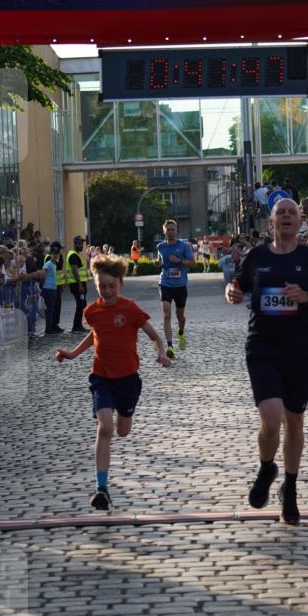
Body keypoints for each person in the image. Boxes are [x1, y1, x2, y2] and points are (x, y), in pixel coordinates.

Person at [225, 197, 308, 526]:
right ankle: (266, 467)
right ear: (272, 222)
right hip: (261, 346)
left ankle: (288, 489)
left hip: (298, 350)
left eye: (292, 213)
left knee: (294, 423)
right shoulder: (257, 256)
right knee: (272, 419)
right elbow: (237, 286)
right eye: (281, 213)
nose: (287, 217)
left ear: (300, 220)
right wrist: (232, 293)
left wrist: (307, 298)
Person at [55, 255, 171, 511]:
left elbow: (153, 335)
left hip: (128, 379)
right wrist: (73, 354)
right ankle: (102, 489)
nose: (106, 291)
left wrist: (161, 353)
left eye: (111, 286)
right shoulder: (92, 311)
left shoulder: (130, 309)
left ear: (120, 283)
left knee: (122, 431)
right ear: (95, 284)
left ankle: (125, 416)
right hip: (101, 377)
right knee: (105, 428)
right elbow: (95, 334)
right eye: (101, 286)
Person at [156, 218, 195, 359]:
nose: (171, 231)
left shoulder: (184, 246)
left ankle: (181, 332)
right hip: (165, 283)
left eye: (173, 229)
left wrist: (180, 261)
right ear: (164, 231)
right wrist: (157, 263)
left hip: (180, 285)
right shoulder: (160, 247)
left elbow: (193, 264)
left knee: (180, 316)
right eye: (168, 229)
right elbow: (160, 261)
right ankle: (170, 346)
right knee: (166, 313)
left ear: (177, 231)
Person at [65, 236, 90, 332]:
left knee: (82, 304)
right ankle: (76, 326)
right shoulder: (73, 255)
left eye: (82, 244)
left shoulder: (76, 254)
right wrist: (80, 284)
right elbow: (74, 270)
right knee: (81, 304)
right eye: (79, 243)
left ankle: (77, 325)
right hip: (76, 285)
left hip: (78, 284)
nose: (81, 246)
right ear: (75, 244)